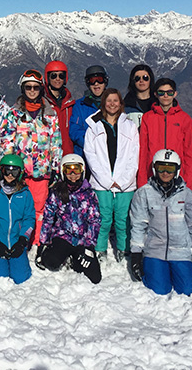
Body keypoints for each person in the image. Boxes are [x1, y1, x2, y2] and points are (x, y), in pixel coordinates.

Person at [129, 149, 192, 296]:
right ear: (154, 169)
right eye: (161, 167)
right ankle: (158, 272)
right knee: (159, 289)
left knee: (188, 290)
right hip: (155, 251)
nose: (165, 172)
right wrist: (136, 255)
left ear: (176, 170)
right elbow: (138, 225)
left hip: (180, 251)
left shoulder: (187, 195)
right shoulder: (144, 193)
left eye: (170, 168)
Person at [0, 69, 62, 245]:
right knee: (20, 207)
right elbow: (7, 141)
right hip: (20, 172)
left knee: (39, 208)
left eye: (35, 87)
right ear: (22, 89)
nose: (32, 91)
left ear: (41, 89)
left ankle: (36, 242)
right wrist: (9, 166)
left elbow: (56, 142)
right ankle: (20, 240)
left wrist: (55, 167)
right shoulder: (14, 114)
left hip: (42, 171)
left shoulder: (50, 115)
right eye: (28, 87)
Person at [83, 88, 140, 261]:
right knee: (104, 218)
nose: (112, 104)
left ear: (121, 103)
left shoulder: (130, 126)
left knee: (123, 219)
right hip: (101, 183)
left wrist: (123, 180)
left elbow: (134, 155)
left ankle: (124, 249)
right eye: (109, 101)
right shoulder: (94, 127)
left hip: (126, 183)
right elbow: (90, 155)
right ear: (103, 103)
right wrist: (107, 181)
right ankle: (100, 248)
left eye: (115, 100)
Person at [36, 154, 102, 284]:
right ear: (62, 171)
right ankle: (63, 255)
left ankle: (75, 259)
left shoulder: (89, 194)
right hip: (63, 237)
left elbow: (95, 221)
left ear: (82, 171)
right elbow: (48, 217)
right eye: (68, 170)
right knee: (50, 262)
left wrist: (89, 246)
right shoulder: (57, 192)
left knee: (95, 277)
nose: (73, 174)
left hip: (82, 240)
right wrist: (43, 243)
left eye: (76, 169)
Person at [137, 78, 192, 190]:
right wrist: (141, 182)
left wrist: (188, 184)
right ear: (155, 94)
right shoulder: (148, 118)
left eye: (169, 92)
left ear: (175, 93)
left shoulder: (184, 119)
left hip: (177, 177)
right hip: (152, 176)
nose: (165, 96)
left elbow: (190, 153)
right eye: (161, 92)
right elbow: (142, 151)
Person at [0, 154, 36, 284]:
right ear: (1, 170)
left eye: (15, 171)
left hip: (16, 241)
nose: (10, 175)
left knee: (21, 278)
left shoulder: (24, 193)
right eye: (7, 170)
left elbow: (29, 218)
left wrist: (22, 240)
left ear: (20, 173)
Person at [68, 65, 109, 157]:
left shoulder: (113, 104)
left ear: (105, 81)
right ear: (88, 83)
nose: (96, 84)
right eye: (92, 80)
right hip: (85, 155)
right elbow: (75, 130)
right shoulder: (80, 105)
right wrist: (91, 144)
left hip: (108, 155)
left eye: (99, 79)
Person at [43, 60, 75, 158]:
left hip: (69, 155)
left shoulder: (70, 104)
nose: (57, 79)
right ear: (48, 78)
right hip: (48, 156)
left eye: (61, 76)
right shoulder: (42, 103)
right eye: (53, 76)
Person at [124, 64, 156, 128]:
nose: (141, 81)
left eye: (145, 78)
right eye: (137, 78)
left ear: (151, 80)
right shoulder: (126, 106)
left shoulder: (158, 104)